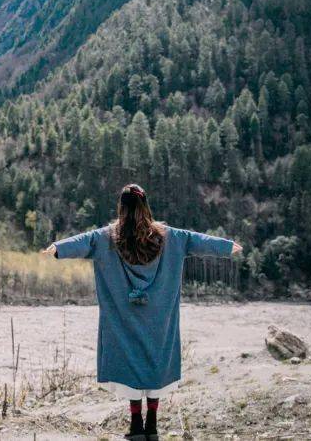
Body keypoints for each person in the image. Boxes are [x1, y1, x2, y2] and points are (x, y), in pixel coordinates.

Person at [41, 183, 242, 441]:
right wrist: (226, 246)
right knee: (156, 360)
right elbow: (196, 239)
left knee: (129, 361)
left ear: (121, 208)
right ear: (146, 206)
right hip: (158, 317)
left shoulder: (107, 239)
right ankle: (153, 425)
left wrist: (59, 248)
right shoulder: (170, 237)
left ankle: (136, 424)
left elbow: (85, 240)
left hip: (124, 316)